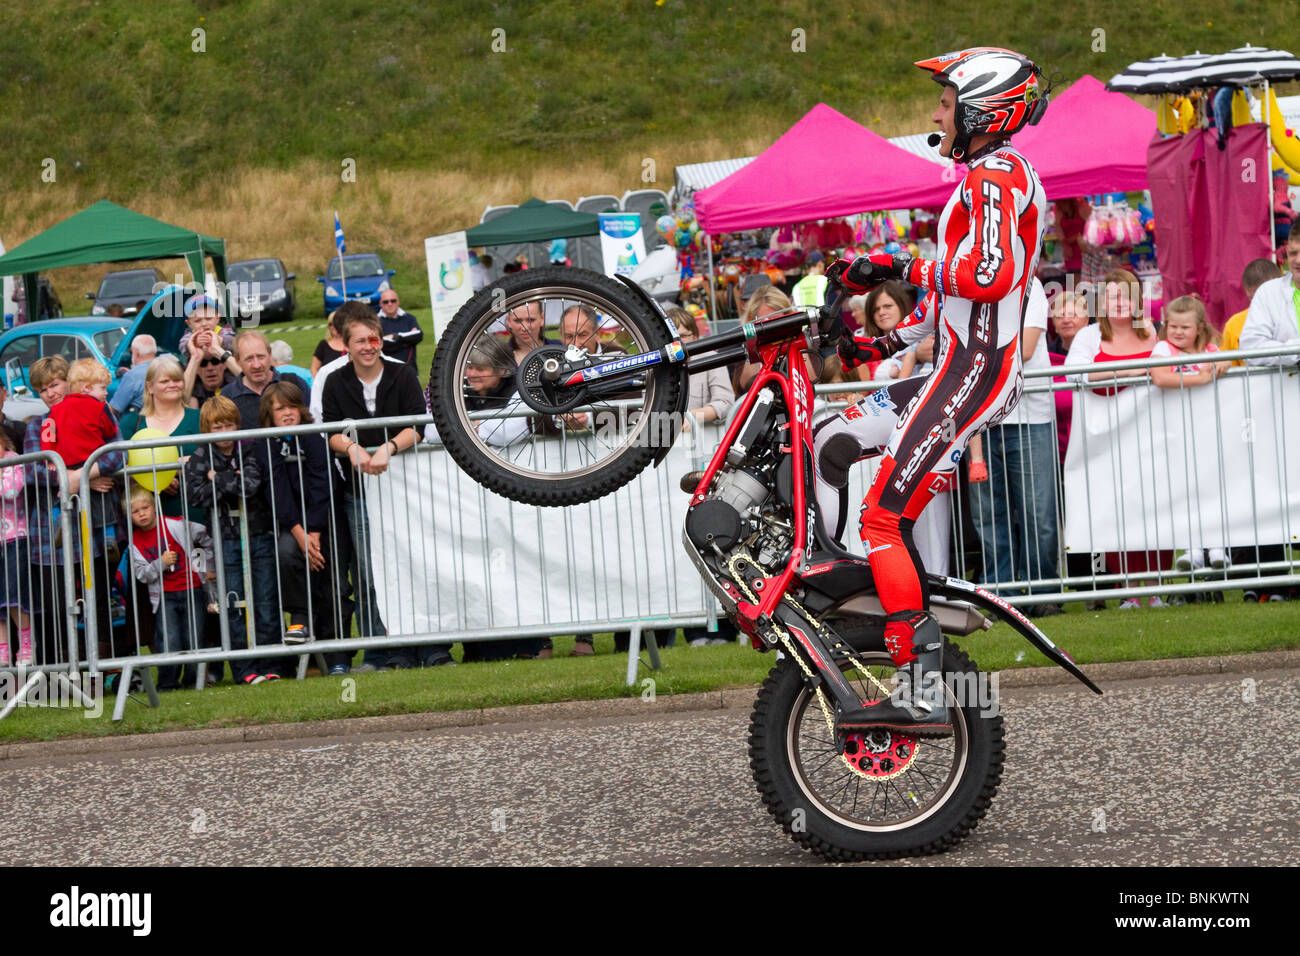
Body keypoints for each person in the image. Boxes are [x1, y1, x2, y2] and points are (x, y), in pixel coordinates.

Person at [826, 47, 1049, 736]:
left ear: (983, 109)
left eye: (947, 102)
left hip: (973, 376)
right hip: (955, 366)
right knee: (828, 440)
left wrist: (897, 261)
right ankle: (841, 584)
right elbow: (956, 303)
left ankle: (921, 684)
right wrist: (879, 344)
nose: (935, 113)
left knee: (883, 518)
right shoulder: (989, 175)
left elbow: (985, 274)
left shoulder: (995, 176)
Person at [322, 310, 453, 669]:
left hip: (406, 492)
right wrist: (352, 449)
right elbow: (331, 432)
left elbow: (418, 426)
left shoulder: (402, 375)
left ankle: (431, 646)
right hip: (360, 493)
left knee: (417, 563)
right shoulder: (335, 382)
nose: (369, 347)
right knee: (368, 571)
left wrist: (389, 448)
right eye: (361, 341)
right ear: (346, 346)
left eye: (374, 339)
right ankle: (380, 649)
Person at [1064, 270, 1167, 607]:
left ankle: (1157, 588)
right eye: (1111, 296)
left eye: (1125, 295)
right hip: (1106, 441)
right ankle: (1128, 590)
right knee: (1115, 508)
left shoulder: (1153, 333)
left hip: (1153, 437)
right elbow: (1075, 373)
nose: (1119, 303)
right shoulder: (1089, 336)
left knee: (1155, 506)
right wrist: (1133, 371)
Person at [24, 356, 124, 668]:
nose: (50, 393)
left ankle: (105, 668)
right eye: (42, 390)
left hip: (97, 525)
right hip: (51, 531)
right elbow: (32, 470)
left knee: (101, 599)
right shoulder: (37, 425)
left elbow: (116, 452)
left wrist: (83, 476)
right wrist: (72, 479)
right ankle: (66, 668)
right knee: (57, 603)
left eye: (55, 384)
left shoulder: (99, 410)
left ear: (71, 382)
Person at [968, 278, 1061, 616]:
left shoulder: (1029, 285)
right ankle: (999, 594)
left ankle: (1045, 591)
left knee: (1039, 513)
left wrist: (975, 354)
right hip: (980, 417)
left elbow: (1027, 348)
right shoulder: (968, 289)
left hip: (1030, 415)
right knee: (989, 514)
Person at [184, 395, 278, 685]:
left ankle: (272, 663)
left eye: (229, 426)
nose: (225, 434)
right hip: (224, 538)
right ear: (207, 429)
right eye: (217, 428)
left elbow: (250, 485)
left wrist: (217, 479)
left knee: (265, 599)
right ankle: (244, 667)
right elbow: (195, 495)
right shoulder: (200, 457)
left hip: (258, 532)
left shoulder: (249, 449)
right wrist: (227, 478)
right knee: (233, 600)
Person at [260, 383, 353, 676]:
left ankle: (338, 656)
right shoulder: (265, 442)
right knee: (287, 552)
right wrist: (301, 534)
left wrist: (313, 531)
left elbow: (322, 481)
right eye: (279, 409)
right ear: (269, 414)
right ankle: (300, 620)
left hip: (326, 519)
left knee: (335, 584)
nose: (287, 413)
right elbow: (276, 490)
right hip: (293, 524)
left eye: (291, 407)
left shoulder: (313, 436)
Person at [127, 487, 214, 691]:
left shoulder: (175, 525)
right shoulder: (135, 542)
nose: (142, 514)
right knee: (169, 639)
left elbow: (204, 537)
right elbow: (142, 574)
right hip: (165, 595)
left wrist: (205, 567)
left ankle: (194, 680)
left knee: (195, 636)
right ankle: (167, 682)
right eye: (135, 511)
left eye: (145, 508)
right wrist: (162, 563)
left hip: (192, 588)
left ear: (154, 507)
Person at [118, 356, 202, 519]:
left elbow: (213, 458)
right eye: (164, 381)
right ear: (149, 387)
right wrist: (155, 477)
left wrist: (164, 469)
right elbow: (120, 468)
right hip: (150, 524)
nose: (172, 385)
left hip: (198, 517)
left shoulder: (200, 417)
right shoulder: (131, 423)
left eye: (177, 380)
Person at [39, 358, 117, 469]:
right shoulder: (100, 407)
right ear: (87, 388)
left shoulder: (56, 409)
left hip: (67, 465)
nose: (106, 392)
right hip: (95, 461)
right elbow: (110, 431)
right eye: (103, 388)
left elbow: (47, 436)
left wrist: (49, 459)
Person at [1237, 236, 1299, 366]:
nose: (1298, 260)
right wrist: (1295, 351)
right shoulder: (1268, 293)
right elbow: (1251, 349)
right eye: (1293, 253)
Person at [0, 427, 33, 667]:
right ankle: (3, 650)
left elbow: (11, 491)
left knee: (14, 597)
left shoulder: (15, 462)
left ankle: (26, 645)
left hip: (14, 538)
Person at [1221, 259, 1281, 367]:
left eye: (1266, 297)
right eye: (1254, 299)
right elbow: (1228, 366)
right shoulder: (1234, 324)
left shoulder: (1294, 313)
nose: (1260, 303)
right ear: (1246, 292)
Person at [178, 294, 237, 363]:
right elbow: (182, 345)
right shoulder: (190, 336)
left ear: (217, 318)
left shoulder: (224, 331)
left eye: (208, 318)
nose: (204, 324)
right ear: (189, 324)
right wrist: (193, 343)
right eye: (198, 320)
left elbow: (234, 342)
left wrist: (221, 341)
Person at [109, 335, 157, 417]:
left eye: (132, 352)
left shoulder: (132, 376)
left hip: (136, 425)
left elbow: (114, 409)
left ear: (137, 353)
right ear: (154, 352)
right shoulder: (165, 368)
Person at [377, 291, 423, 369]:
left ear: (398, 302)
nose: (390, 304)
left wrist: (394, 337)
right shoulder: (374, 321)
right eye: (386, 302)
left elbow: (418, 335)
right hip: (385, 372)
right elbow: (376, 343)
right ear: (381, 303)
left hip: (410, 370)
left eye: (393, 301)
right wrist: (407, 341)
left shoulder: (410, 318)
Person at [311, 310, 348, 377]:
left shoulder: (351, 343)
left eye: (338, 323)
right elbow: (314, 369)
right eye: (331, 324)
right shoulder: (323, 345)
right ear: (328, 327)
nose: (334, 326)